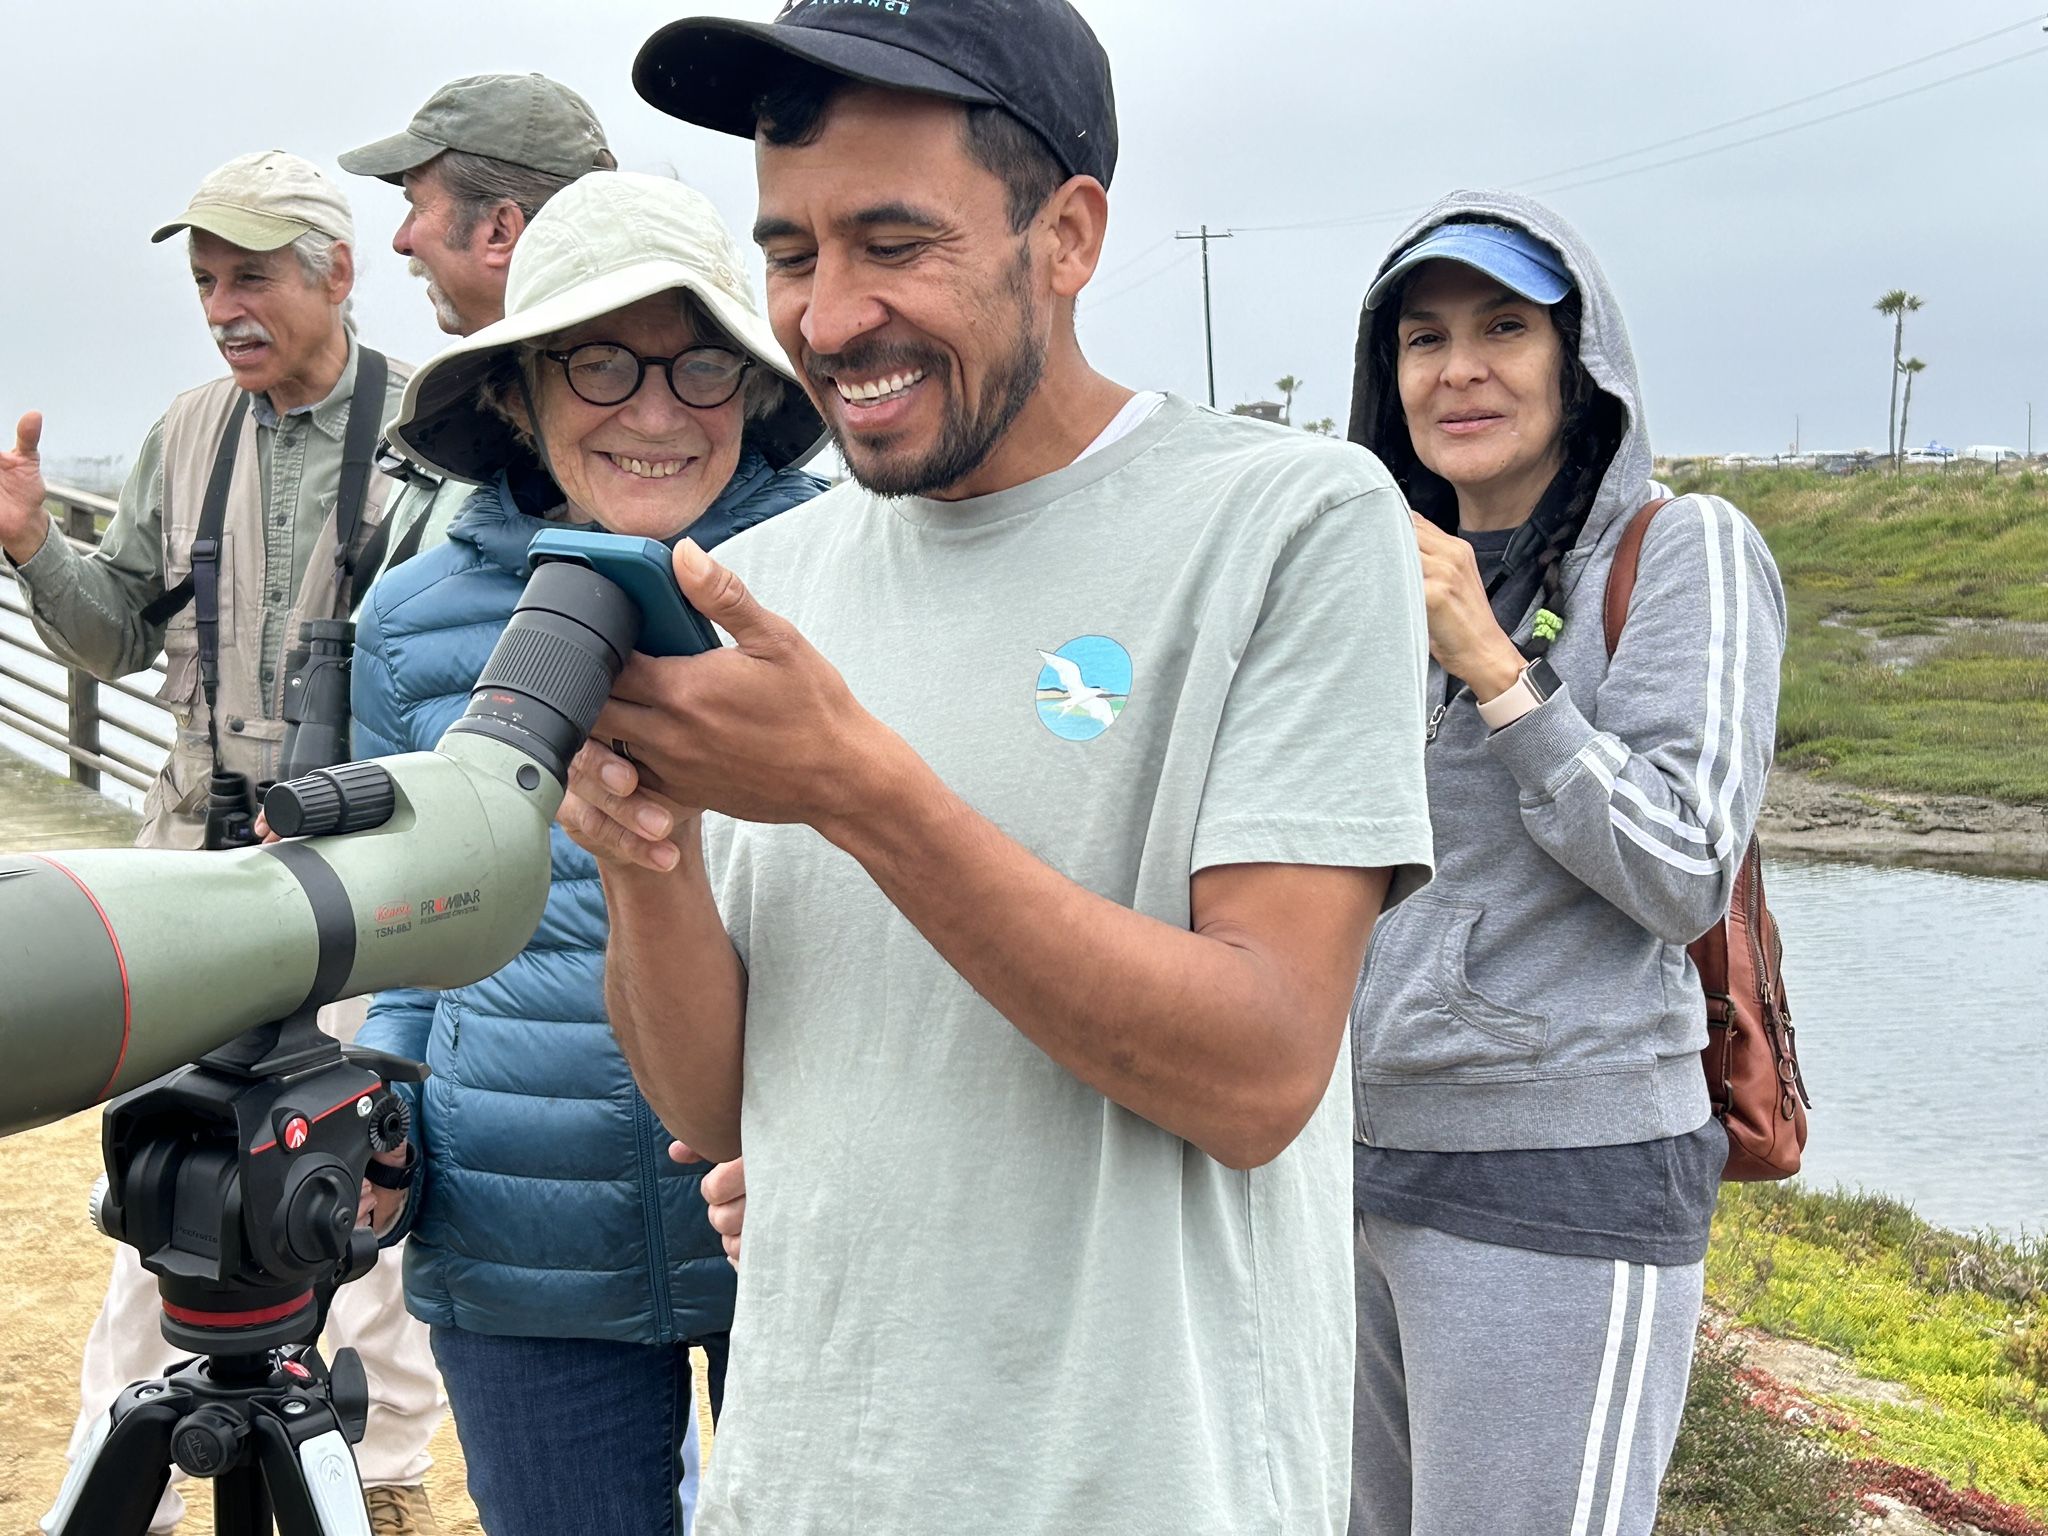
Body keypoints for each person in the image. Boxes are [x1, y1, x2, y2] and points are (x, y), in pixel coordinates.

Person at [559, 4, 1435, 1532]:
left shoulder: (1289, 523)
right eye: (789, 254)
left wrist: (854, 788)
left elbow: (1258, 1070)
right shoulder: (771, 577)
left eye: (896, 243)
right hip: (812, 1475)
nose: (829, 321)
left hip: (1142, 1484)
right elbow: (722, 1100)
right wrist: (652, 862)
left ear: (1069, 234)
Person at [351, 168, 826, 1536]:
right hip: (512, 1237)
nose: (657, 409)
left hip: (804, 1219)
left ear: (756, 389)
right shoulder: (411, 621)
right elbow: (408, 930)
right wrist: (391, 1092)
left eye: (702, 368)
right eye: (600, 363)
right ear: (515, 388)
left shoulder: (846, 580)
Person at [0, 150, 446, 1536]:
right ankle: (114, 1454)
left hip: (376, 871)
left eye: (250, 274)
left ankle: (376, 1484)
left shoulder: (437, 422)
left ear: (338, 272)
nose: (222, 306)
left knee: (361, 1197)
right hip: (197, 862)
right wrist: (27, 550)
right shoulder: (188, 430)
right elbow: (116, 630)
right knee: (169, 1174)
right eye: (205, 281)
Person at [1343, 192, 1786, 1535]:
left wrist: (1492, 661)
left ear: (1578, 363)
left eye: (1503, 328)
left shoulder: (1684, 551)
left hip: (1565, 1176)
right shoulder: (1372, 571)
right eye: (1422, 339)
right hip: (1354, 1170)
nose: (1459, 367)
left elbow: (1684, 863)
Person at [340, 72, 617, 568]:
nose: (402, 240)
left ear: (499, 230)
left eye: (416, 206)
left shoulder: (605, 436)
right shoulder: (480, 408)